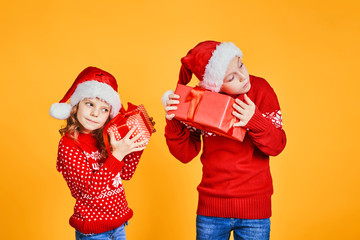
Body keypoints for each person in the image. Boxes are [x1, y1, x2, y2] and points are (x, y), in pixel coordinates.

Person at [162, 41, 287, 240]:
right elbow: (185, 154)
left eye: (241, 65)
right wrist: (174, 120)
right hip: (211, 210)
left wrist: (254, 121)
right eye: (231, 77)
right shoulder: (198, 98)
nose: (243, 77)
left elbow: (277, 145)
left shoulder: (261, 89)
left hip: (255, 210)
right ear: (214, 85)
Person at [50, 66, 147, 240]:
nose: (95, 113)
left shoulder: (107, 137)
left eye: (104, 109)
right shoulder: (69, 145)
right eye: (90, 104)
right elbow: (90, 190)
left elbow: (125, 173)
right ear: (76, 106)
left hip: (118, 224)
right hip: (94, 230)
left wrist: (136, 143)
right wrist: (117, 154)